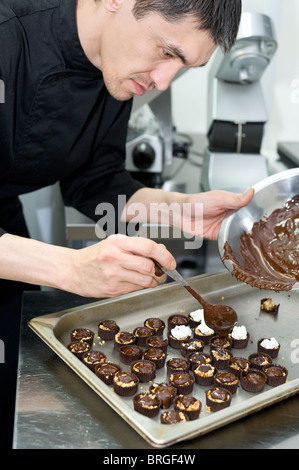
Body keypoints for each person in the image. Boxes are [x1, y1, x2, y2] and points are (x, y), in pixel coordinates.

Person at [0, 0, 254, 448]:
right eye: (168, 52)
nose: (162, 80)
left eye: (185, 67)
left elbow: (94, 179)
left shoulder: (115, 64)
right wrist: (70, 269)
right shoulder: (6, 36)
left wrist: (179, 210)